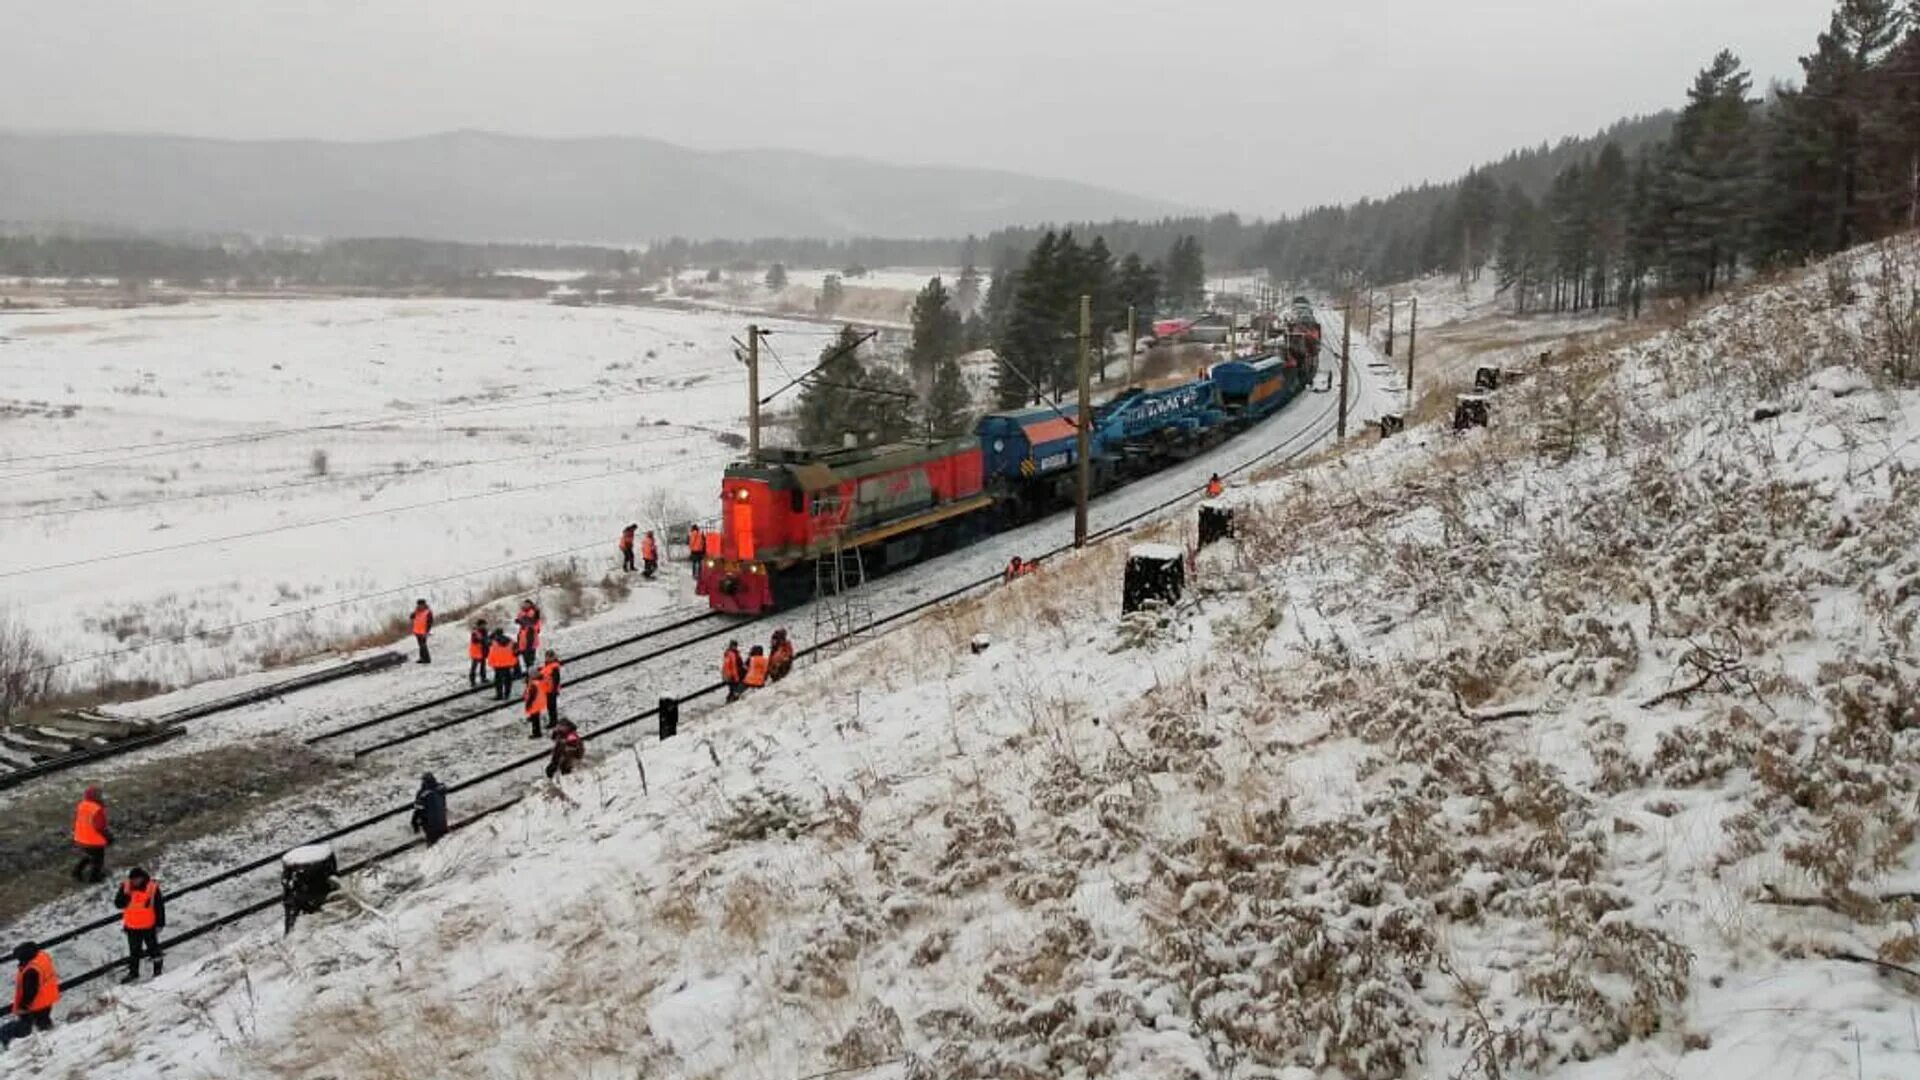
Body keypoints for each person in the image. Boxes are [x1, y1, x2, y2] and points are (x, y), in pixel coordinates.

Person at [1, 943, 57, 1051]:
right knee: (43, 1023)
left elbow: (29, 992)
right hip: (47, 999)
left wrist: (23, 1007)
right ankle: (50, 1036)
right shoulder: (41, 957)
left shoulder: (31, 970)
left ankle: (4, 1044)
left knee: (22, 1028)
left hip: (35, 1005)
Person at [113, 868, 165, 983]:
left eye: (137, 879)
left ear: (142, 878)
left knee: (154, 950)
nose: (134, 882)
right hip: (132, 927)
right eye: (132, 879)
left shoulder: (152, 888)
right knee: (134, 952)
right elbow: (118, 903)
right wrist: (124, 899)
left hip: (148, 926)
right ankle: (133, 973)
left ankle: (158, 971)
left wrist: (160, 923)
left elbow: (159, 907)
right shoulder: (125, 887)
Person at [71, 786, 110, 883]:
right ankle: (94, 878)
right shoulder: (97, 809)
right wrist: (108, 837)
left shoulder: (82, 805)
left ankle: (76, 872)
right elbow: (100, 827)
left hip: (80, 837)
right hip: (94, 841)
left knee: (88, 856)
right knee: (98, 860)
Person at [410, 773, 448, 845]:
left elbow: (418, 809)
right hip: (443, 823)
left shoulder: (422, 794)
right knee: (445, 845)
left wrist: (414, 823)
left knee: (433, 848)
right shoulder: (440, 789)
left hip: (430, 827)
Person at [486, 629, 518, 701]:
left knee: (498, 681)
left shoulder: (492, 642)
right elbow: (516, 650)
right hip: (508, 663)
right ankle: (507, 694)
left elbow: (486, 642)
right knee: (508, 679)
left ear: (496, 634)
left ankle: (499, 695)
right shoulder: (510, 641)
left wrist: (491, 635)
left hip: (497, 664)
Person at [523, 664, 551, 739]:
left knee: (535, 720)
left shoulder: (533, 684)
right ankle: (537, 732)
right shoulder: (539, 682)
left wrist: (528, 704)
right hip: (539, 702)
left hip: (534, 704)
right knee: (536, 718)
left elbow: (531, 696)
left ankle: (536, 733)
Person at [514, 600, 542, 675]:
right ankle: (529, 675)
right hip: (522, 641)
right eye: (524, 604)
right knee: (526, 660)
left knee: (530, 661)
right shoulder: (522, 613)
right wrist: (520, 620)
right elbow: (518, 619)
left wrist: (525, 621)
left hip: (531, 641)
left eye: (527, 604)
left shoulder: (534, 613)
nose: (525, 606)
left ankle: (531, 676)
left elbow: (537, 628)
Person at [538, 650, 563, 723]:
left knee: (552, 707)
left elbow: (556, 680)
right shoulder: (549, 665)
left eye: (547, 657)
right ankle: (552, 720)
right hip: (547, 689)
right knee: (550, 706)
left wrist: (554, 690)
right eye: (546, 657)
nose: (546, 659)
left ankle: (553, 721)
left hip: (551, 690)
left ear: (552, 657)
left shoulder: (553, 667)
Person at [409, 599, 433, 664]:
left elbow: (430, 623)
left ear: (424, 604)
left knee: (423, 645)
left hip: (423, 632)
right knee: (420, 645)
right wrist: (414, 613)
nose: (420, 606)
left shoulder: (428, 612)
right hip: (417, 631)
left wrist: (427, 631)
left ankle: (427, 659)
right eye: (419, 605)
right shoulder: (417, 612)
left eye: (421, 605)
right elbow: (411, 617)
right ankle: (422, 658)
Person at [467, 620, 489, 688]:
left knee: (483, 666)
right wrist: (483, 640)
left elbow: (485, 640)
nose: (485, 626)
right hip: (476, 652)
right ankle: (472, 681)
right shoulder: (475, 632)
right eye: (483, 625)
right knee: (474, 667)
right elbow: (475, 640)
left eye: (485, 625)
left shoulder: (485, 631)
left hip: (482, 651)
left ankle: (483, 678)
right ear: (479, 625)